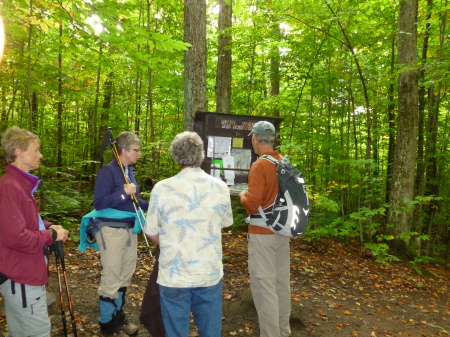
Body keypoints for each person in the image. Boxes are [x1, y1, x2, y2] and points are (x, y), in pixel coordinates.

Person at [144, 131, 233, 337]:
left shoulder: (161, 188)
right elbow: (224, 223)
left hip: (173, 275)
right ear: (202, 155)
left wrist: (169, 242)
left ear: (175, 156)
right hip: (208, 272)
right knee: (210, 331)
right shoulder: (220, 187)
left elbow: (151, 232)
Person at [0, 126, 69, 337]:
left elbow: (27, 222)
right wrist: (51, 236)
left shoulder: (21, 184)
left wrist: (48, 226)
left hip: (24, 273)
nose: (40, 155)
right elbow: (17, 237)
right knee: (37, 332)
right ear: (19, 152)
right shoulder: (10, 187)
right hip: (21, 275)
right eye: (36, 150)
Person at [93, 131, 149, 337]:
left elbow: (135, 201)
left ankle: (119, 318)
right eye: (136, 150)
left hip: (129, 229)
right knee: (113, 276)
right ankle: (107, 326)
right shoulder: (108, 172)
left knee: (125, 275)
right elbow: (99, 202)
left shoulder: (129, 170)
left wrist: (153, 206)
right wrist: (123, 192)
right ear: (124, 151)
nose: (139, 153)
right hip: (111, 230)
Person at [239, 121, 291, 337]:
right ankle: (282, 331)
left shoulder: (260, 165)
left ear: (255, 139)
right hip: (282, 231)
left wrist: (242, 196)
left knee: (264, 286)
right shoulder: (284, 162)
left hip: (262, 235)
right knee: (281, 284)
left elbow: (252, 204)